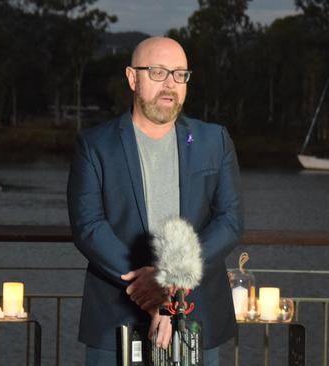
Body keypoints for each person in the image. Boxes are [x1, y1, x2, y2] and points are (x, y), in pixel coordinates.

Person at [67, 36, 243, 366]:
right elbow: (89, 227)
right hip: (115, 314)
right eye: (158, 72)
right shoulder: (95, 145)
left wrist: (171, 278)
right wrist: (148, 288)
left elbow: (229, 220)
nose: (170, 85)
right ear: (133, 78)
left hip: (198, 314)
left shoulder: (213, 140)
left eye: (179, 74)